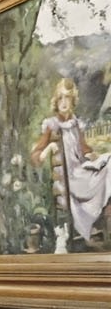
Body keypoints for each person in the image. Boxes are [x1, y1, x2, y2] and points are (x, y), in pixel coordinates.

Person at [30, 78, 111, 251]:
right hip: (68, 180)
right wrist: (50, 148)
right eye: (60, 98)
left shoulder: (76, 124)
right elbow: (36, 155)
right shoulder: (51, 125)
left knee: (109, 162)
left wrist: (92, 155)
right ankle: (84, 227)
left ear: (73, 100)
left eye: (67, 98)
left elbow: (84, 150)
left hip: (80, 172)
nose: (64, 102)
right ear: (56, 101)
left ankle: (103, 221)